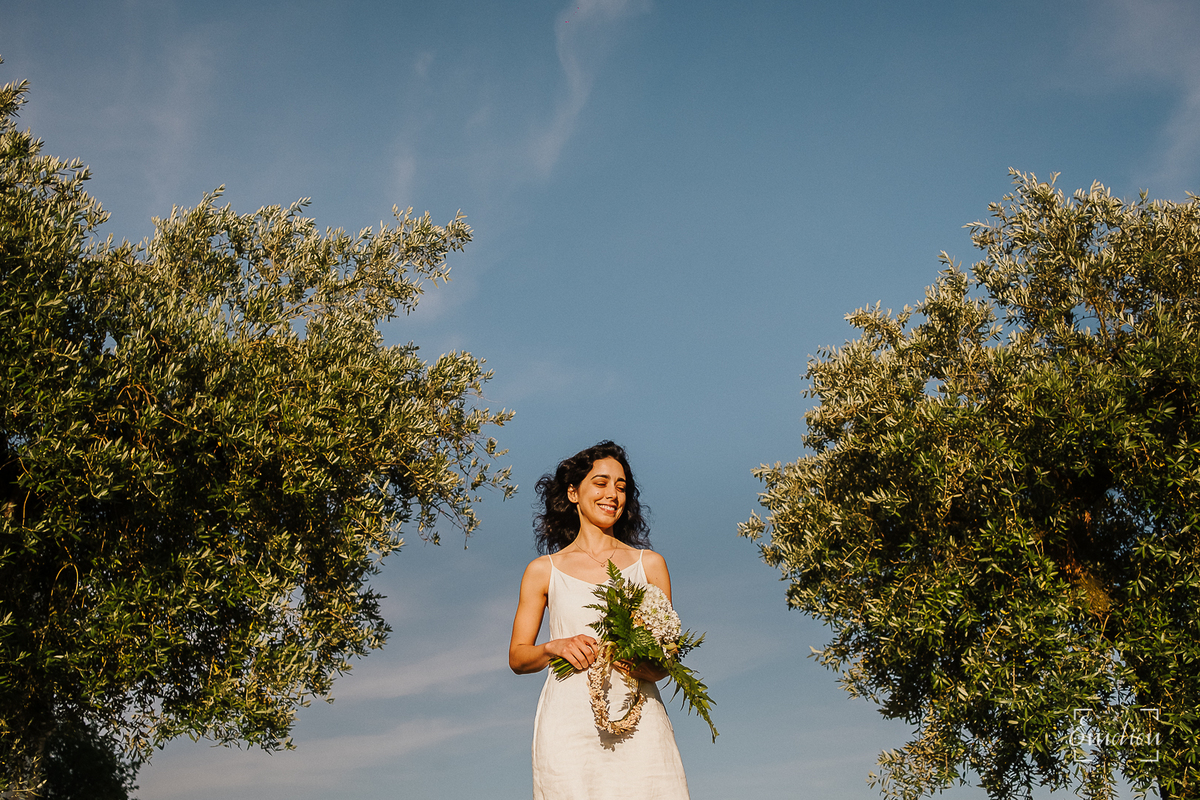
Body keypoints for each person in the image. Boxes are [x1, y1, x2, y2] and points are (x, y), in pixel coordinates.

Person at [509, 441, 690, 800]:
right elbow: (518, 656)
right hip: (569, 727)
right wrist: (554, 647)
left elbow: (667, 657)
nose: (612, 494)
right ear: (573, 493)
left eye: (621, 487)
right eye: (601, 483)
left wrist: (648, 665)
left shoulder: (650, 565)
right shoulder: (542, 571)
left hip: (640, 723)